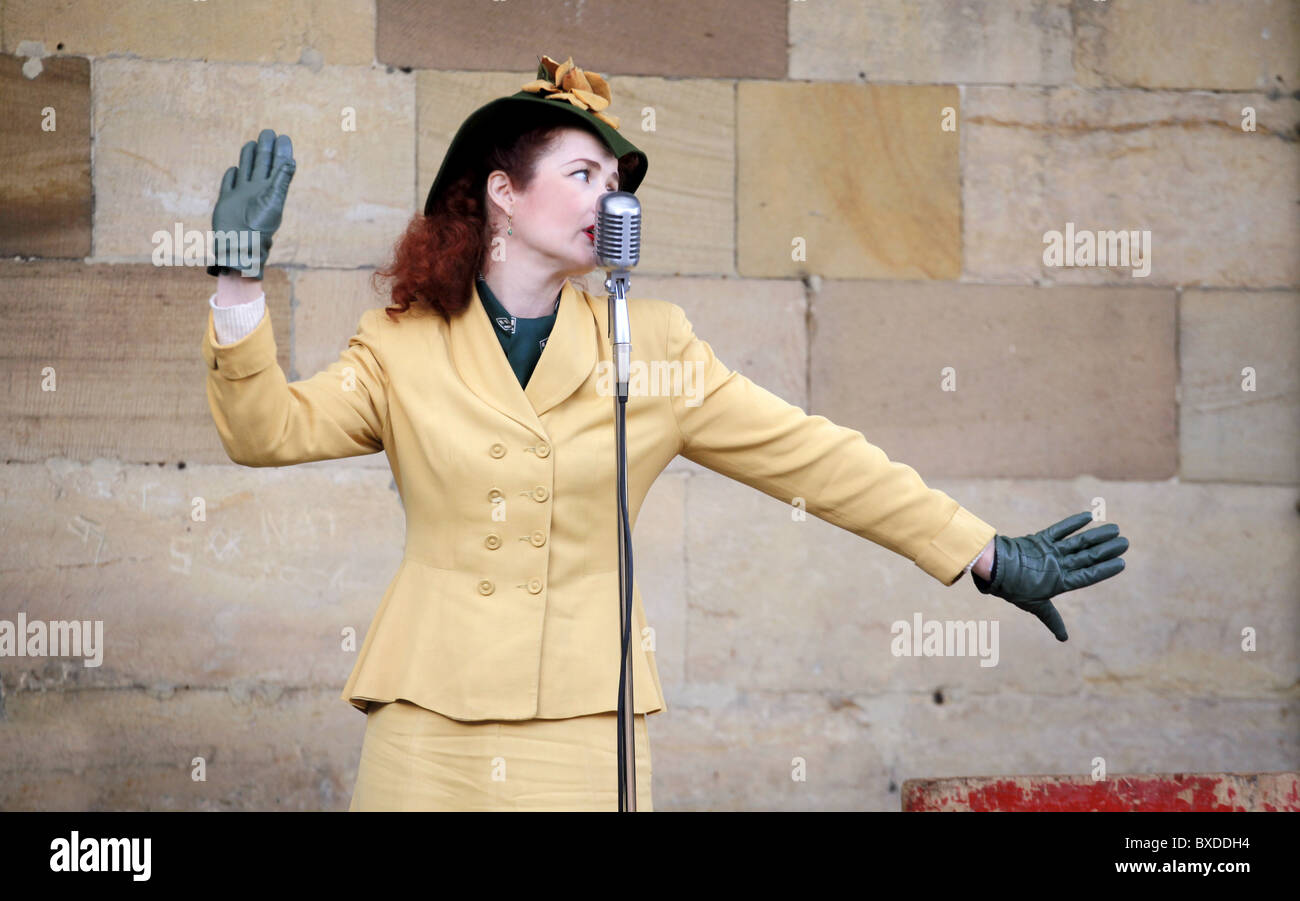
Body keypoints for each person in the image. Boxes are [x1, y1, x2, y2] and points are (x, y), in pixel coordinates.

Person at [201, 54, 1130, 811]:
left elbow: (811, 454)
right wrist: (238, 286)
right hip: (425, 719)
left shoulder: (655, 345)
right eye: (581, 174)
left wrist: (979, 550)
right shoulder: (398, 344)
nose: (609, 197)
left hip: (583, 726)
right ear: (503, 195)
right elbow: (266, 431)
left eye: (615, 183)